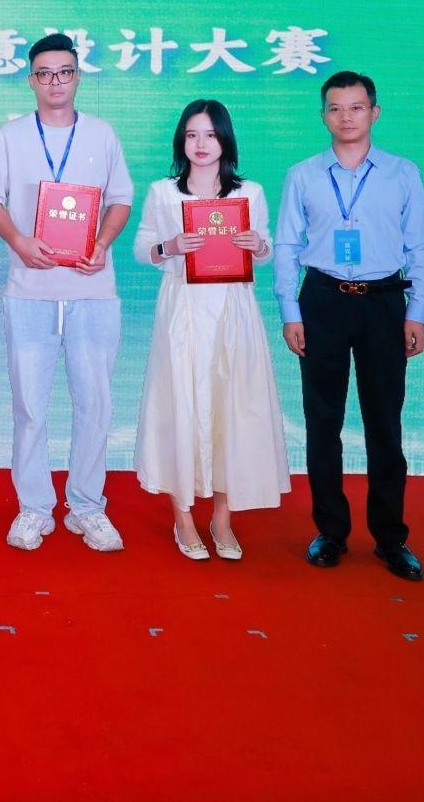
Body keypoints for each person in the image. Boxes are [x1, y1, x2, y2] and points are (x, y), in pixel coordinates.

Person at [273, 71, 424, 582]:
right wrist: (290, 311)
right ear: (324, 116)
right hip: (322, 300)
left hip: (384, 302)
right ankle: (331, 531)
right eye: (336, 108)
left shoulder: (402, 173)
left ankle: (390, 538)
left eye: (357, 107)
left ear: (374, 113)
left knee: (384, 422)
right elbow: (286, 245)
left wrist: (417, 311)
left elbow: (419, 245)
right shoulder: (302, 175)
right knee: (322, 422)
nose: (346, 116)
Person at [0, 33, 134, 553]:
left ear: (77, 76)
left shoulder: (102, 134)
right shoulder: (11, 136)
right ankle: (34, 508)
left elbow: (120, 199)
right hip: (29, 291)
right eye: (44, 73)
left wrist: (103, 243)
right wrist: (19, 241)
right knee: (30, 406)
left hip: (93, 290)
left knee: (96, 404)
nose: (55, 82)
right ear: (31, 80)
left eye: (64, 72)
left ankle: (87, 507)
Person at [132, 100, 290, 561]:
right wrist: (169, 246)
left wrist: (258, 244)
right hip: (182, 310)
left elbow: (267, 249)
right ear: (181, 141)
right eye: (192, 135)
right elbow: (143, 248)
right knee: (179, 406)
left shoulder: (250, 193)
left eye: (210, 135)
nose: (201, 144)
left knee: (231, 410)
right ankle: (182, 517)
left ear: (225, 139)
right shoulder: (163, 192)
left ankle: (222, 517)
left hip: (233, 312)